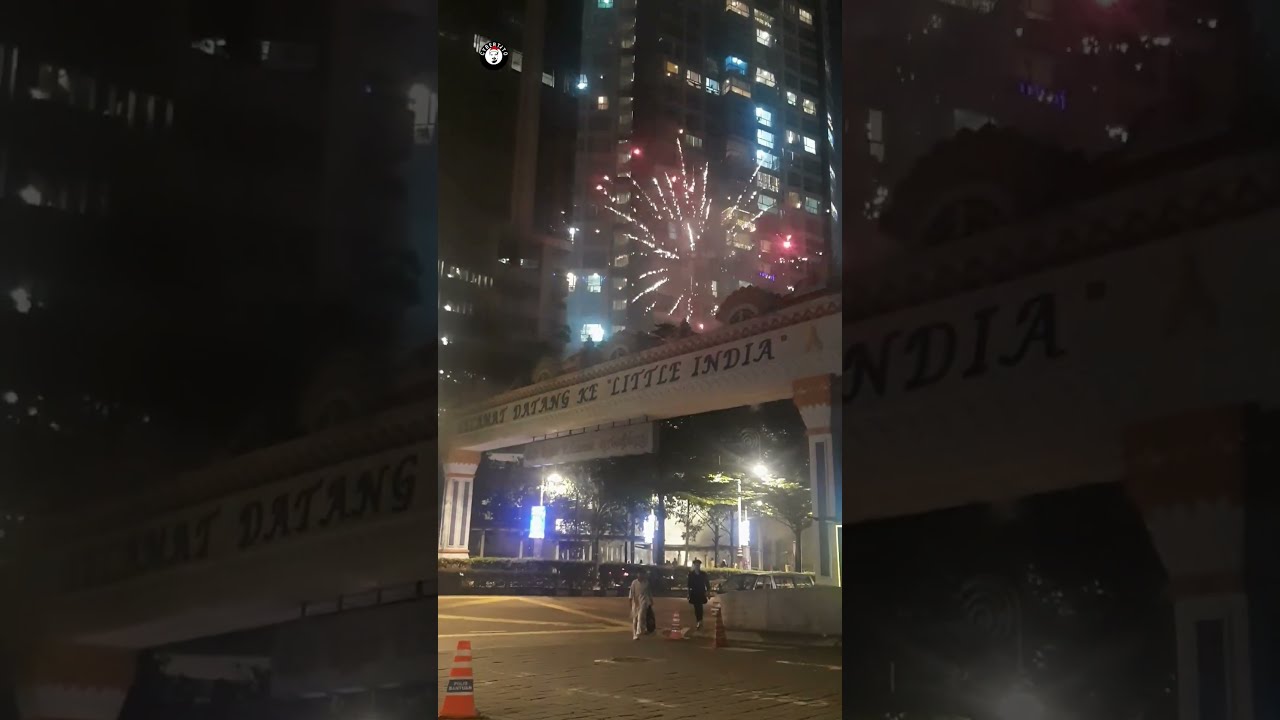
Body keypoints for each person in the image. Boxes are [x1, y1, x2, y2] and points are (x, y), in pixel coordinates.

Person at [687, 558, 712, 630]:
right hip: (694, 592)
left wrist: (708, 592)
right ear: (694, 566)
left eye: (698, 565)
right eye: (696, 565)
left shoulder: (703, 574)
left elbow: (707, 583)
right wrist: (688, 594)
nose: (697, 566)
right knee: (696, 607)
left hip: (701, 592)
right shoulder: (691, 574)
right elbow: (689, 585)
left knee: (700, 607)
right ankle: (698, 620)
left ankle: (700, 620)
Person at [628, 570, 653, 640]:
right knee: (635, 619)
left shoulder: (646, 583)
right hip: (635, 603)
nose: (641, 576)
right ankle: (635, 634)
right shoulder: (634, 583)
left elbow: (649, 593)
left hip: (643, 602)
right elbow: (631, 594)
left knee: (641, 616)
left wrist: (651, 600)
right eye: (639, 574)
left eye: (642, 574)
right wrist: (631, 604)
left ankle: (639, 631)